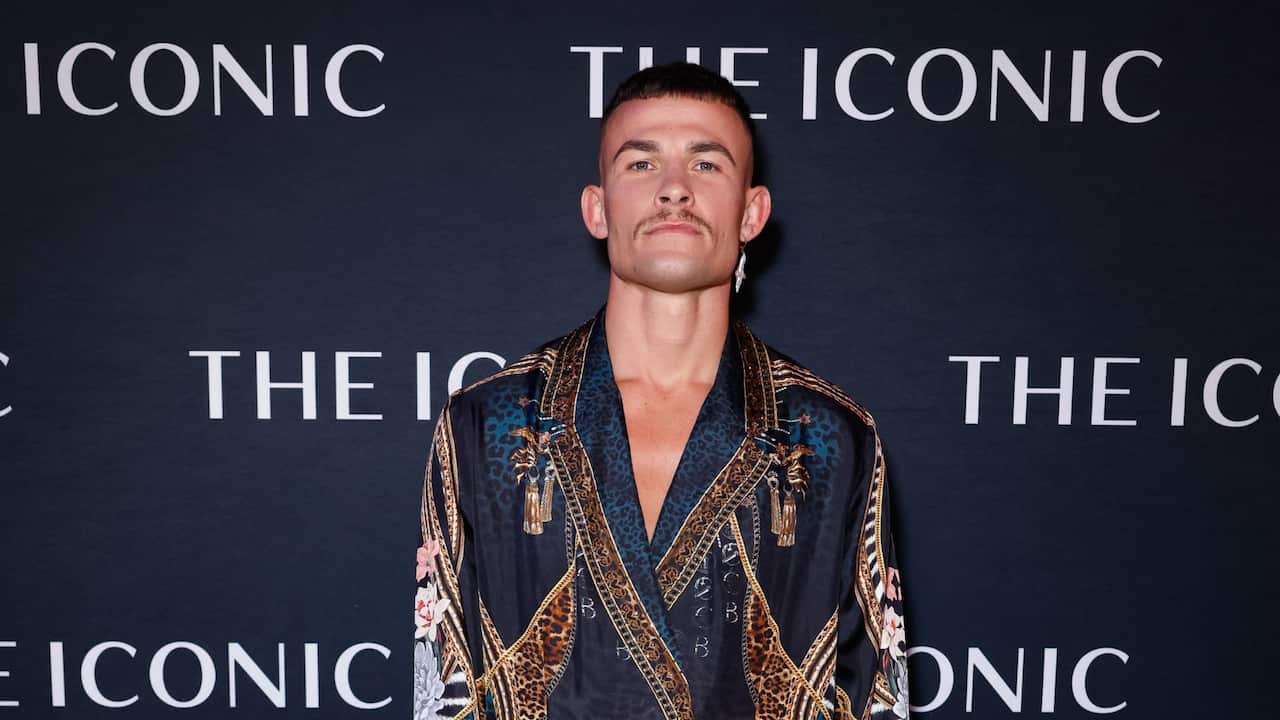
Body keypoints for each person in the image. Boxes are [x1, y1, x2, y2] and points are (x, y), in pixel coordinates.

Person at [412, 61, 909, 720]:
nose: (674, 190)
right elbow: (443, 694)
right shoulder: (487, 423)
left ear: (751, 211)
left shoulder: (831, 437)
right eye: (641, 165)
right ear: (597, 207)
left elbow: (875, 696)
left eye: (707, 165)